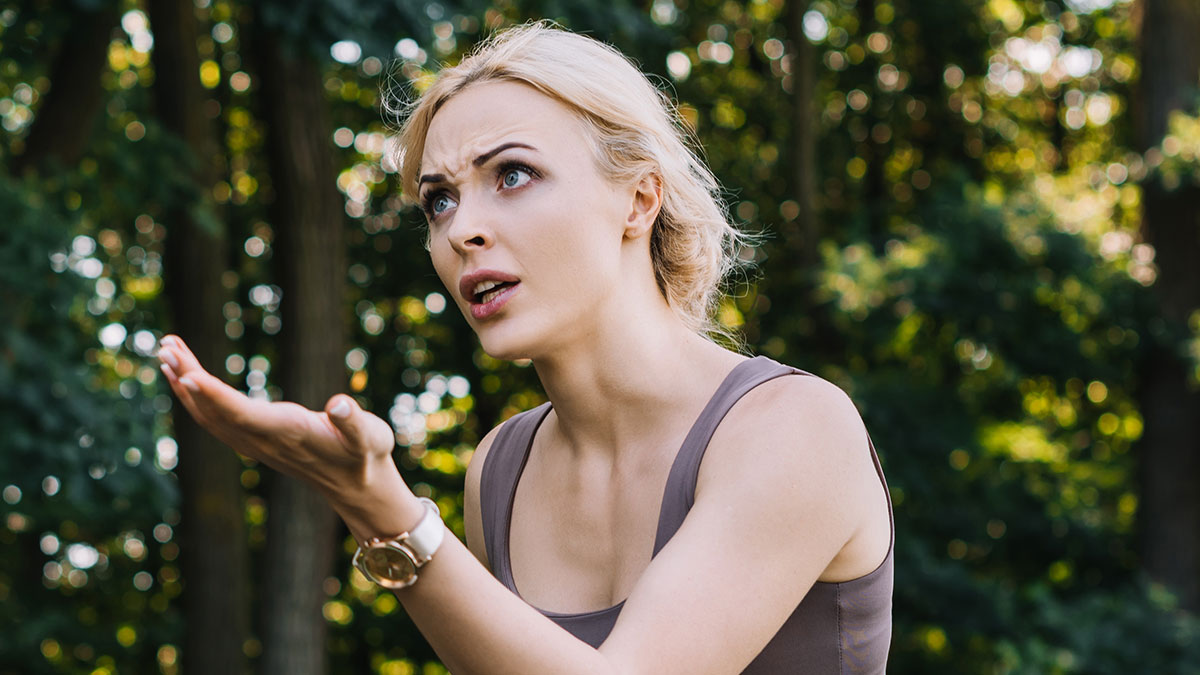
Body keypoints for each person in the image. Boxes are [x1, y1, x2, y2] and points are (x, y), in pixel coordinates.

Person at [157, 22, 893, 674]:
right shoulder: (499, 472)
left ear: (639, 198)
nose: (460, 229)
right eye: (439, 198)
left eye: (512, 174)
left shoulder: (796, 427)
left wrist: (385, 512)